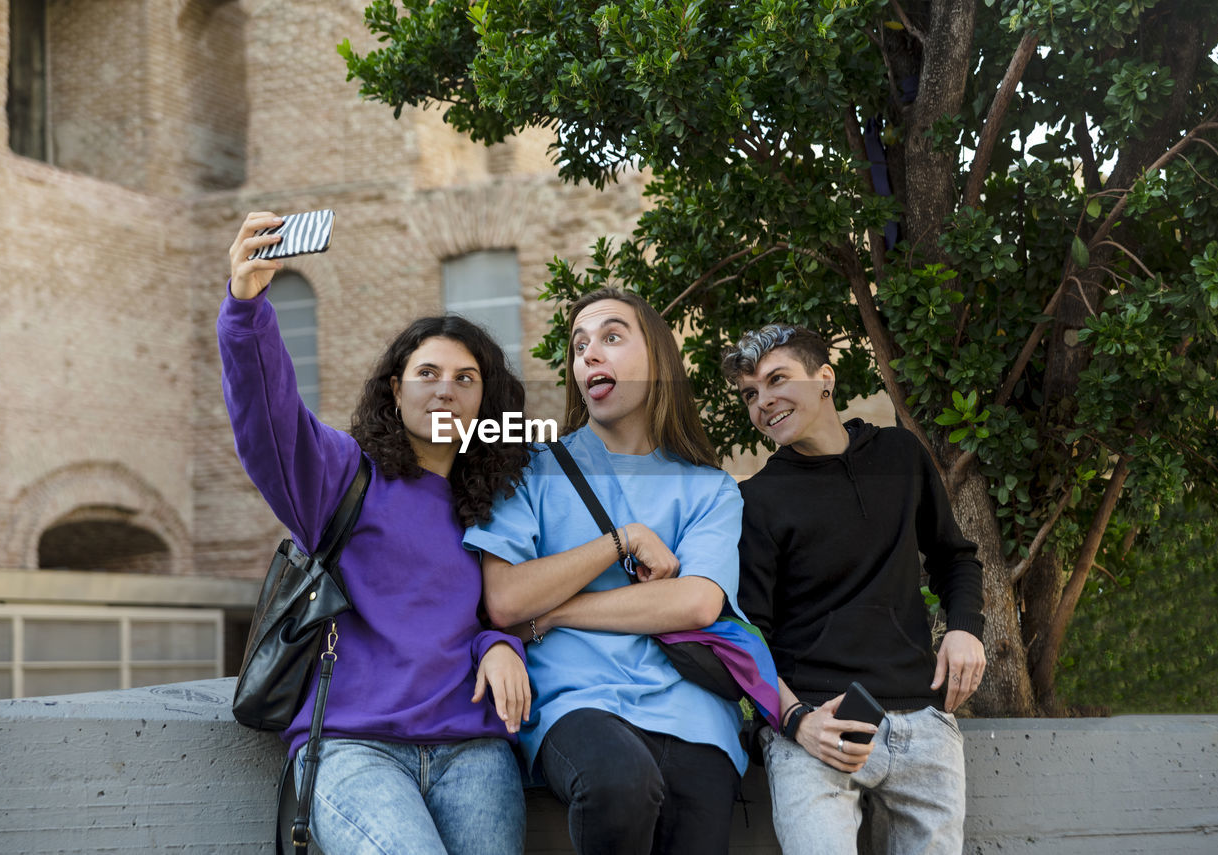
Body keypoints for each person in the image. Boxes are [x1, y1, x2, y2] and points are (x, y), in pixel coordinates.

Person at [219, 212, 533, 855]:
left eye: (465, 379)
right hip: (353, 745)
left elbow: (507, 607)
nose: (445, 390)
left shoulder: (501, 502)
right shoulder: (341, 475)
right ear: (395, 389)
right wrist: (246, 306)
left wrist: (500, 643)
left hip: (473, 749)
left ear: (485, 402)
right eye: (427, 374)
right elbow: (267, 420)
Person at [464, 287, 748, 855]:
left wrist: (560, 611)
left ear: (658, 359)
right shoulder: (529, 470)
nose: (589, 354)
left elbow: (695, 603)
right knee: (619, 784)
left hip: (693, 713)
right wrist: (619, 542)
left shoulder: (711, 489)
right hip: (576, 702)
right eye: (579, 345)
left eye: (612, 337)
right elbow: (505, 600)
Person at [723, 323, 988, 855]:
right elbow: (748, 639)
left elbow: (953, 557)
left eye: (777, 379)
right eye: (751, 394)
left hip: (922, 723)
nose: (764, 402)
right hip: (816, 732)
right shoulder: (757, 500)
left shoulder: (900, 456)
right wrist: (796, 722)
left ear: (825, 379)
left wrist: (964, 630)